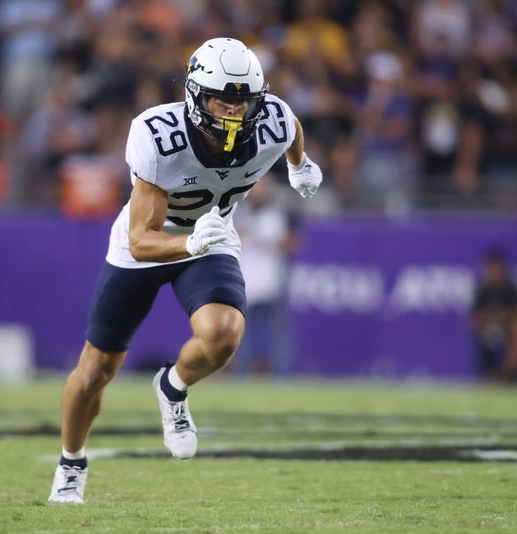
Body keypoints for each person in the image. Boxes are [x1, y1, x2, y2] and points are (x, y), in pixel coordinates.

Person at [48, 37, 323, 504]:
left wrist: (300, 164)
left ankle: (172, 386)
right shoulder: (158, 135)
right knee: (95, 370)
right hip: (147, 244)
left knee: (224, 333)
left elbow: (289, 124)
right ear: (195, 95)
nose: (234, 111)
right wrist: (188, 241)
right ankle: (71, 463)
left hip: (211, 237)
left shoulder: (270, 120)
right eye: (222, 99)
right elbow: (140, 237)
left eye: (243, 101)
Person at [233, 175, 298, 377]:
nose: (257, 192)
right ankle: (242, 377)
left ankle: (282, 376)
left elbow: (292, 243)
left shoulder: (276, 215)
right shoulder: (237, 214)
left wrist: (260, 238)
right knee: (241, 337)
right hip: (244, 284)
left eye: (261, 188)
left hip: (270, 283)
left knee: (277, 337)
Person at [470, 250, 517, 380]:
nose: (494, 272)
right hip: (487, 329)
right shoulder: (482, 290)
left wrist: (502, 320)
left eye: (497, 268)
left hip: (507, 329)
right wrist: (491, 321)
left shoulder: (510, 289)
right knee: (484, 331)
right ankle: (489, 373)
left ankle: (510, 371)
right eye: (491, 268)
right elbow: (475, 317)